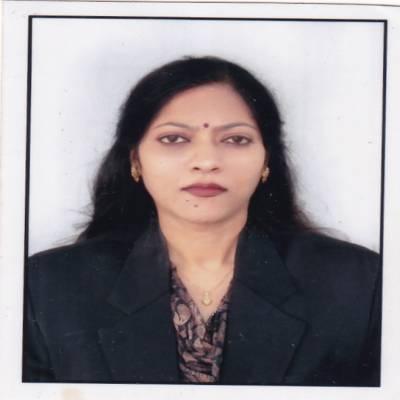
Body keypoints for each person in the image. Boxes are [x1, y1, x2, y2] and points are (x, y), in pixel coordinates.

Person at [23, 56, 381, 385]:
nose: (207, 161)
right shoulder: (48, 288)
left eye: (236, 139)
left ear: (266, 161)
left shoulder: (358, 284)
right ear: (135, 160)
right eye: (174, 138)